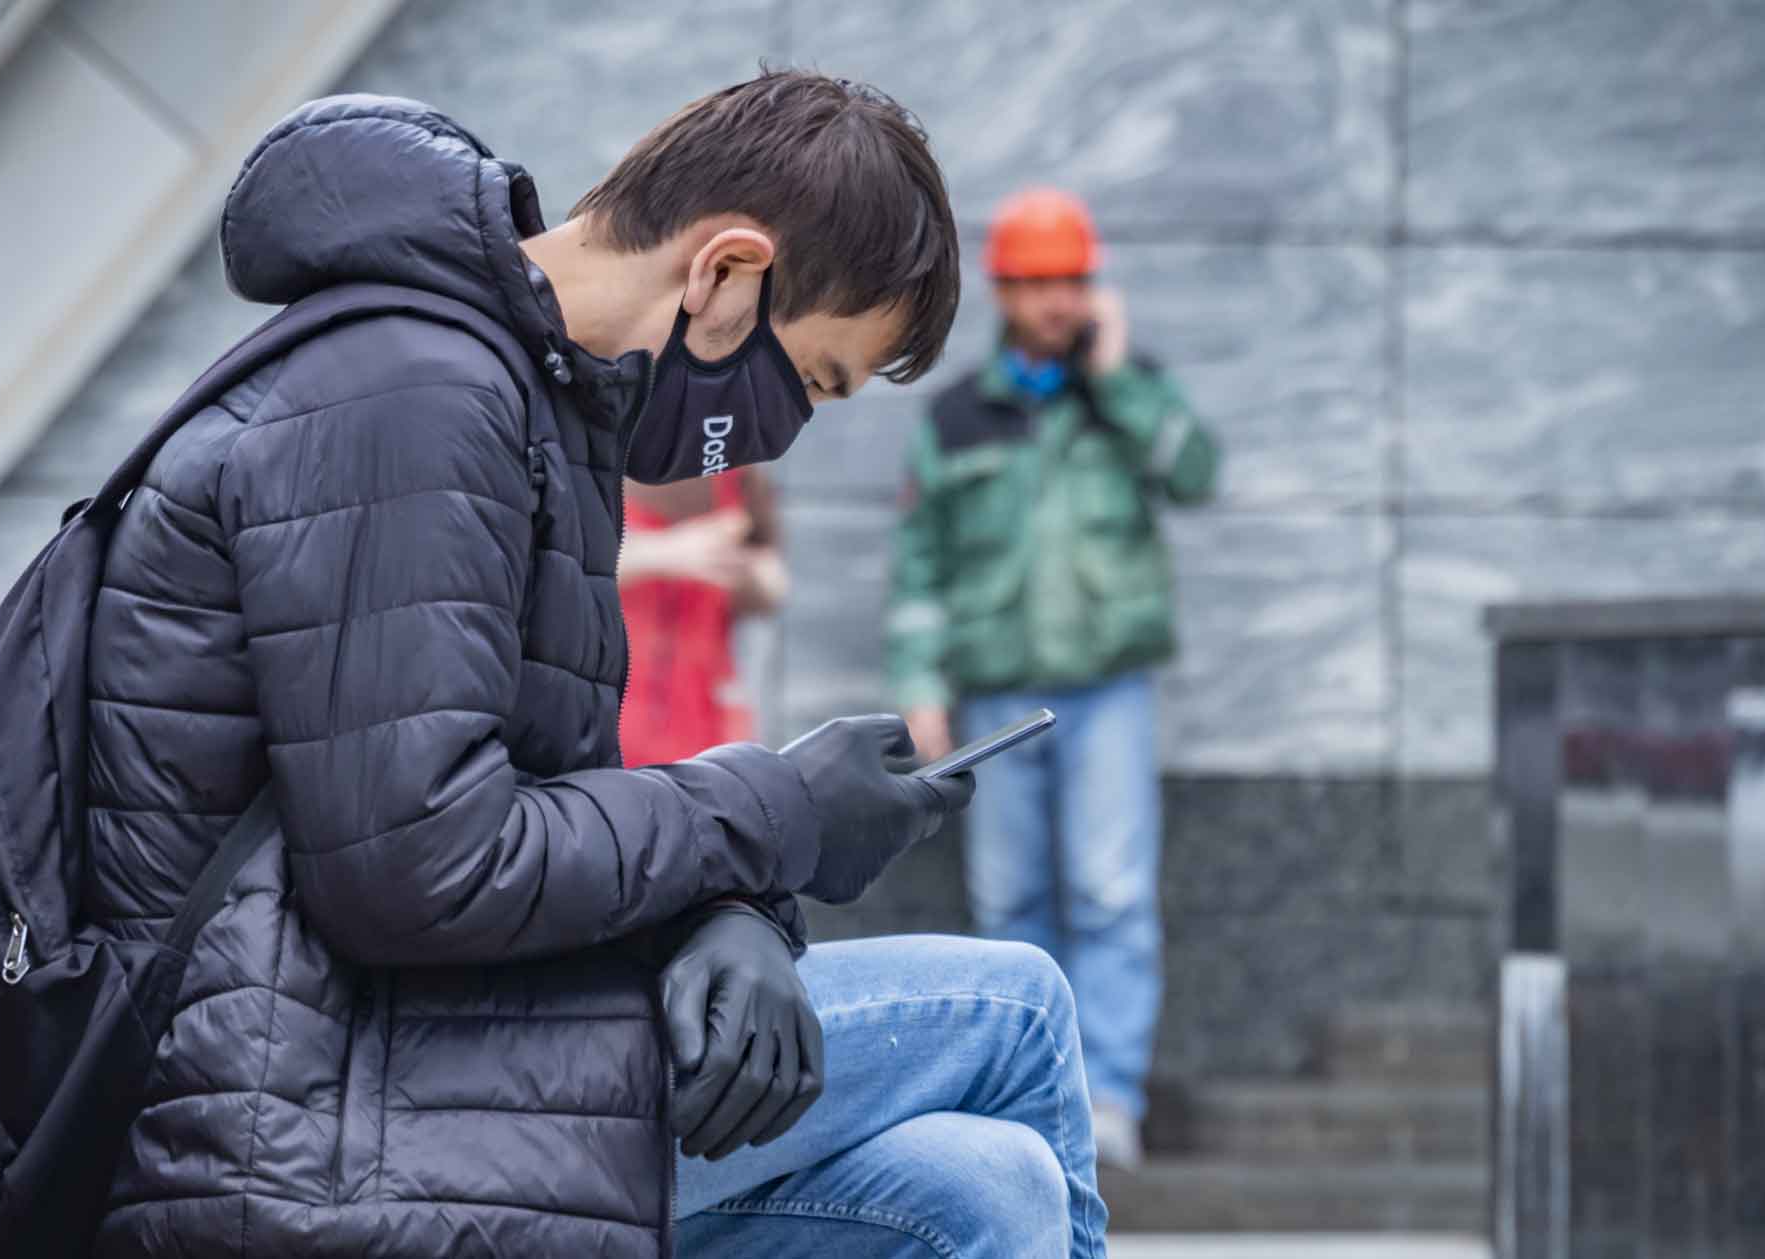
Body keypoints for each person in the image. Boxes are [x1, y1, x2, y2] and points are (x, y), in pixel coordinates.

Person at [83, 78, 1108, 1259]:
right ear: (724, 276)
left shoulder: (522, 408)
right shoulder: (415, 397)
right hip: (284, 1112)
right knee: (1015, 1009)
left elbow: (524, 819)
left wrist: (726, 916)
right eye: (813, 380)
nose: (787, 427)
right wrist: (778, 811)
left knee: (984, 1189)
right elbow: (417, 866)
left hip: (399, 1057)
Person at [886, 188, 1220, 1169]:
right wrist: (919, 681)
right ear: (1004, 291)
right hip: (999, 692)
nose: (1058, 303)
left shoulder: (1127, 393)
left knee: (1111, 891)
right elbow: (918, 564)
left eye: (1073, 281)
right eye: (1040, 285)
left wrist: (1117, 378)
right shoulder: (956, 416)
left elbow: (1197, 473)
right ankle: (1033, 1095)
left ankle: (1109, 1094)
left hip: (1108, 686)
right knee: (1010, 898)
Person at [617, 468, 785, 766]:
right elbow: (562, 567)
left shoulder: (740, 470)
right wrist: (665, 551)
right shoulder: (602, 455)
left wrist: (736, 566)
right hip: (619, 705)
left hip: (707, 708)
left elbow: (775, 583)